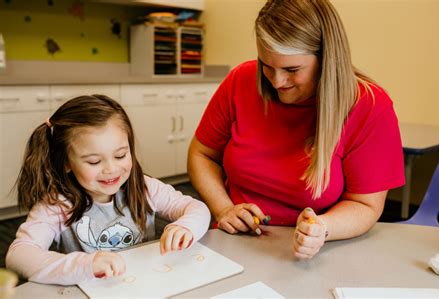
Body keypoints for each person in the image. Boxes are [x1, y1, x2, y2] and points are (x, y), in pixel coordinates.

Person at [188, 0, 404, 259]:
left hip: (317, 252)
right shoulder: (240, 80)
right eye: (266, 65)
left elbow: (365, 205)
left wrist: (322, 228)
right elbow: (201, 154)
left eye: (292, 69)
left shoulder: (368, 105)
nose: (277, 81)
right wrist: (223, 209)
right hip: (235, 243)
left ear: (327, 59)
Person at [6, 95, 210, 285]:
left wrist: (186, 226)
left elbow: (197, 208)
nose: (111, 169)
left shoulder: (145, 187)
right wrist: (84, 265)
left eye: (120, 155)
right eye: (94, 161)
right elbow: (18, 255)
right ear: (66, 163)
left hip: (145, 284)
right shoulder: (56, 204)